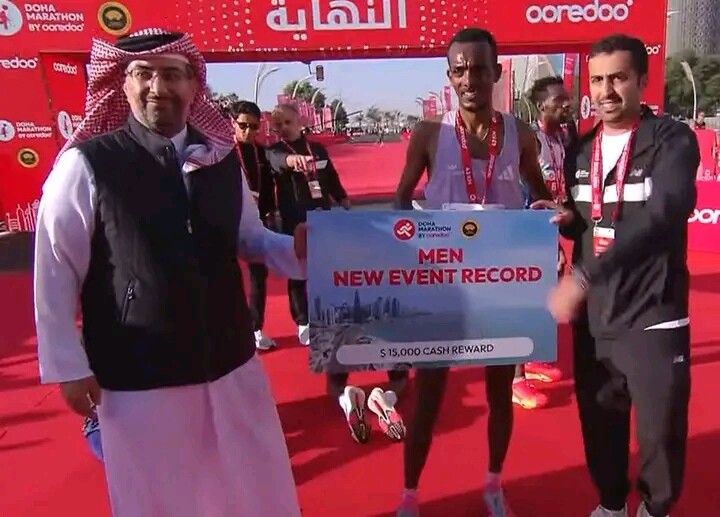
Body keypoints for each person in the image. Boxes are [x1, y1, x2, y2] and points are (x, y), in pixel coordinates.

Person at [33, 29, 304, 517]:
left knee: (253, 492)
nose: (159, 87)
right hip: (139, 377)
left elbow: (250, 239)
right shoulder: (86, 165)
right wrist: (67, 367)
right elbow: (55, 268)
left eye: (173, 75)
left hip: (231, 363)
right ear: (122, 83)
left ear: (193, 85)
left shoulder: (221, 160)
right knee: (161, 502)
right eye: (143, 74)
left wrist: (304, 252)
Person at [393, 27, 573, 517]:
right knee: (429, 398)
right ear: (449, 76)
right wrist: (408, 238)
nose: (469, 78)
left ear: (495, 73)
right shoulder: (428, 134)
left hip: (502, 285)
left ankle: (494, 483)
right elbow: (401, 197)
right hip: (443, 285)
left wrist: (549, 218)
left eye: (479, 69)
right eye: (460, 70)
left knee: (499, 393)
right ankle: (409, 494)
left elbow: (541, 196)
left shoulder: (521, 135)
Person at [548, 34, 699, 517]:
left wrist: (584, 277)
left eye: (618, 78)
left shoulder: (672, 140)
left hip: (654, 313)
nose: (606, 91)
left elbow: (662, 216)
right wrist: (563, 219)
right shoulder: (580, 151)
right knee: (600, 427)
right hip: (596, 320)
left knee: (660, 435)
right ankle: (611, 505)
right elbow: (588, 222)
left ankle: (654, 510)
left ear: (641, 80)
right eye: (597, 80)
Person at [267, 103, 408, 443]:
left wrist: (342, 198)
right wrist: (291, 162)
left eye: (287, 121)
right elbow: (278, 161)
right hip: (298, 225)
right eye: (277, 123)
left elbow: (329, 177)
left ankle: (347, 398)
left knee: (335, 373)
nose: (282, 127)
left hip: (324, 223)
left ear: (300, 121)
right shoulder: (274, 152)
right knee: (303, 277)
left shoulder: (317, 149)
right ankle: (386, 398)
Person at [230, 100, 280, 351]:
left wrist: (270, 213)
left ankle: (255, 329)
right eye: (243, 125)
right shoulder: (222, 151)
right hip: (227, 222)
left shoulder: (262, 153)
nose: (248, 131)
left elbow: (270, 186)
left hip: (256, 222)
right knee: (227, 278)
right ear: (233, 123)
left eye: (253, 126)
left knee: (259, 277)